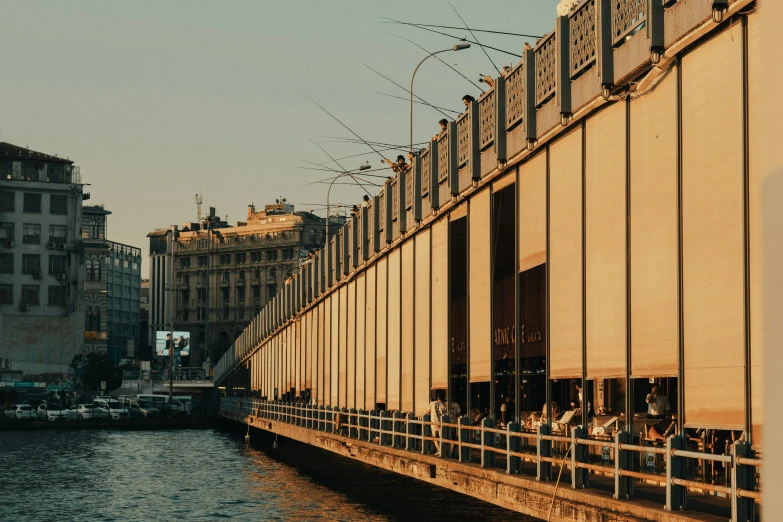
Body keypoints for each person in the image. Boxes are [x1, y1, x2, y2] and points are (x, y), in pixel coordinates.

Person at [425, 390, 448, 456]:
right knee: (442, 437)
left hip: (434, 422)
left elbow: (427, 412)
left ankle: (439, 449)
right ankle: (443, 451)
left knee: (435, 437)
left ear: (437, 397)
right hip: (441, 423)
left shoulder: (432, 403)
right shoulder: (445, 405)